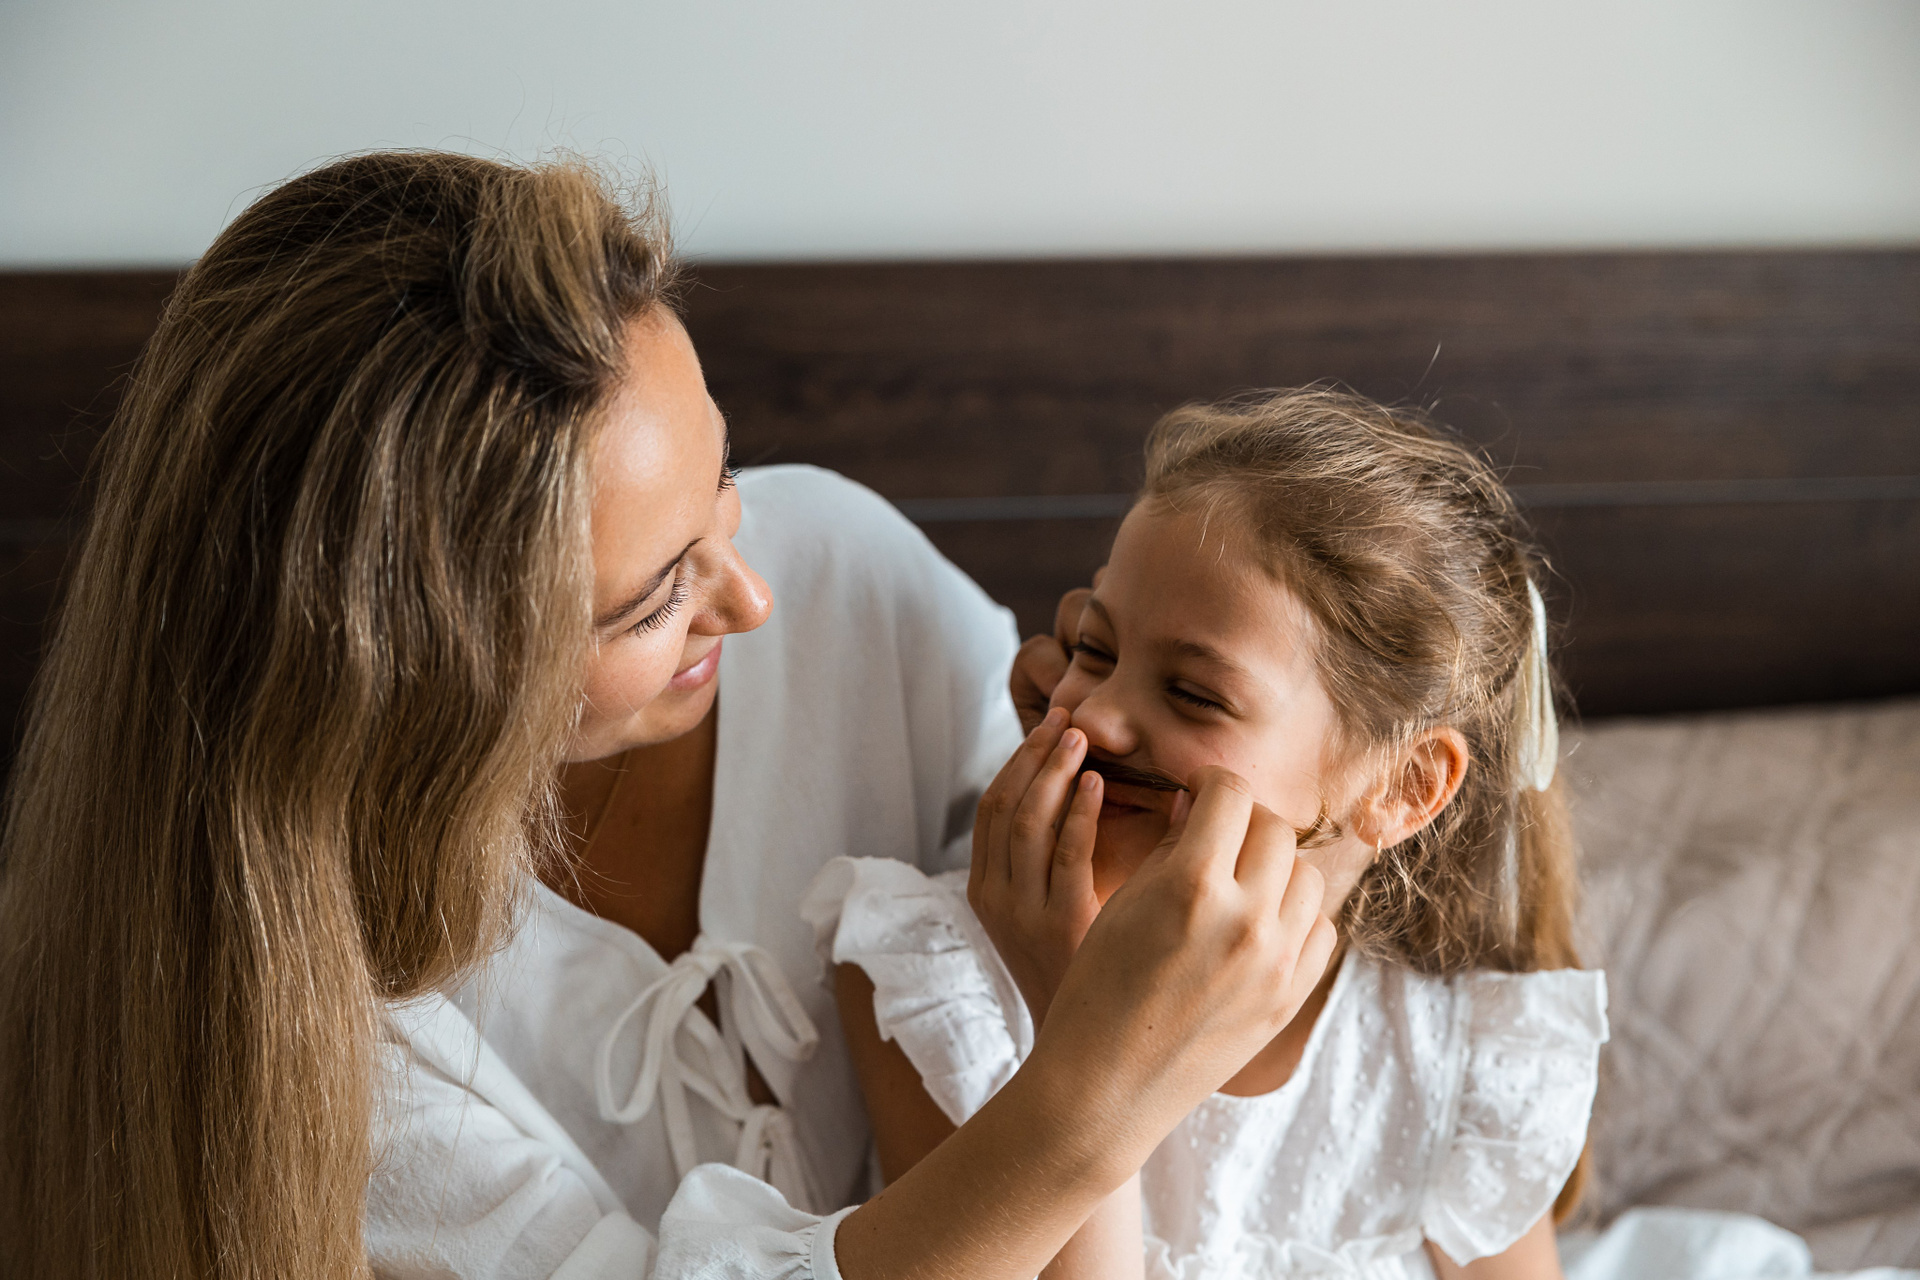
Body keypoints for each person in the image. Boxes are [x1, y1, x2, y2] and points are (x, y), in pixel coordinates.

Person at [0, 152, 1337, 1280]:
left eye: (723, 484)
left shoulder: (846, 578)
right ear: (422, 679)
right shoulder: (296, 1015)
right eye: (651, 601)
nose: (751, 598)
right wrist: (1090, 1105)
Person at [808, 388, 1610, 1279]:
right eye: (1096, 651)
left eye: (1194, 694)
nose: (1096, 716)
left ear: (1404, 787)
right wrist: (1069, 1008)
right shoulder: (935, 987)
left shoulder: (1461, 1055)